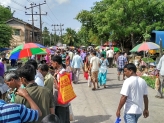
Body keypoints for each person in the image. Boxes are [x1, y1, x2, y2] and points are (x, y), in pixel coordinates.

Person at [51, 55, 70, 123]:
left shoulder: (61, 73)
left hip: (60, 102)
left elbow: (60, 88)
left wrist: (55, 81)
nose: (51, 64)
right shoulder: (62, 71)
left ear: (56, 63)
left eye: (52, 63)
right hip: (64, 100)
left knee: (61, 119)